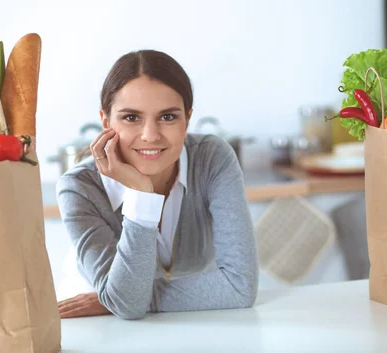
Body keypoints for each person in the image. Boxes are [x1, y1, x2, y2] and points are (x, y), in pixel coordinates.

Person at [56, 49, 258, 320]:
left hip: (183, 318)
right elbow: (127, 306)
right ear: (105, 122)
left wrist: (119, 297)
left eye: (168, 117)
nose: (150, 135)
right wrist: (141, 194)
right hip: (92, 319)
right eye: (131, 117)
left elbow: (239, 286)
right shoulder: (79, 188)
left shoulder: (212, 158)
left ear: (187, 119)